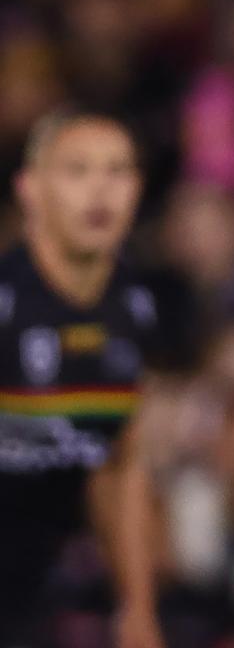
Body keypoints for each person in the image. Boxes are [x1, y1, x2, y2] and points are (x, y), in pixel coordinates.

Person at [0, 112, 165, 648]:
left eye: (118, 171)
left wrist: (137, 609)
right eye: (77, 171)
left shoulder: (135, 306)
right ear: (30, 190)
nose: (101, 190)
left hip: (60, 576)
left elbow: (122, 462)